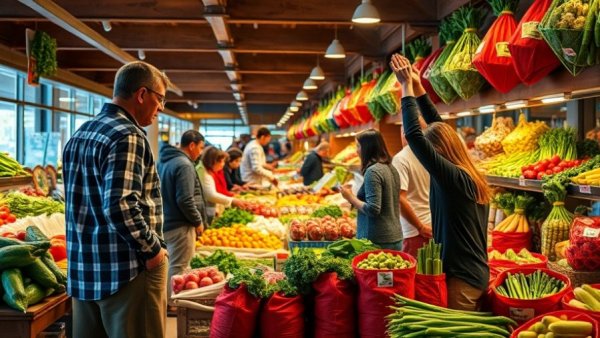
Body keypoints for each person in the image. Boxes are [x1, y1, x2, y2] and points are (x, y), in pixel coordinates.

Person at [62, 61, 169, 338]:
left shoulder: (81, 133)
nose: (161, 108)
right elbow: (121, 205)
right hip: (126, 273)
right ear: (142, 94)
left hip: (85, 271)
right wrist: (152, 251)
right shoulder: (129, 135)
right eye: (160, 99)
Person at [391, 53, 491, 311]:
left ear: (439, 153)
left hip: (463, 279)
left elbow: (414, 135)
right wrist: (418, 85)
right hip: (473, 272)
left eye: (431, 152)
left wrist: (405, 89)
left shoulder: (453, 178)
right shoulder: (464, 172)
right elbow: (439, 127)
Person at [157, 130, 207, 313]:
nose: (201, 153)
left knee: (171, 265)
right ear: (191, 145)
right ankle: (173, 304)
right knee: (179, 266)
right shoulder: (184, 164)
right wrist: (197, 221)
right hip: (180, 224)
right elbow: (185, 199)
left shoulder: (165, 161)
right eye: (200, 148)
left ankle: (169, 300)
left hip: (166, 220)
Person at [339, 129, 403, 250]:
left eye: (358, 146)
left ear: (367, 148)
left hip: (377, 240)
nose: (356, 150)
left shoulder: (373, 171)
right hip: (394, 236)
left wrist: (350, 197)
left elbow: (373, 209)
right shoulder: (390, 167)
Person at [392, 121, 433, 258]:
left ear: (405, 133)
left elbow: (399, 198)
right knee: (430, 275)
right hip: (433, 225)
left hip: (415, 229)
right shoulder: (432, 155)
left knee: (413, 275)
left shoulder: (401, 159)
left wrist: (420, 226)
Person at [197, 146, 246, 222]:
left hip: (208, 209)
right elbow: (211, 195)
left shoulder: (207, 170)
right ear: (213, 161)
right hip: (203, 211)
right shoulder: (204, 173)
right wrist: (232, 200)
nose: (223, 164)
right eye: (221, 161)